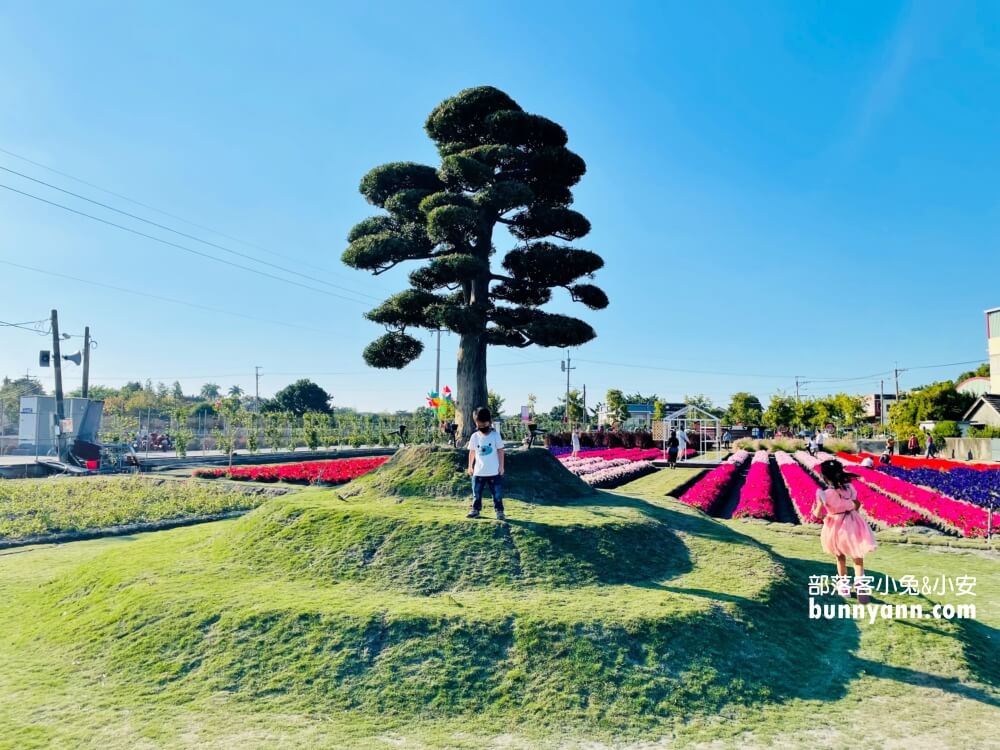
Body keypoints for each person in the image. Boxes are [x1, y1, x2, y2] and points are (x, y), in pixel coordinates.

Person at [810, 459, 877, 604]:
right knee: (857, 557)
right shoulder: (849, 489)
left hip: (835, 525)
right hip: (852, 522)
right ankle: (860, 583)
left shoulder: (823, 493)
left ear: (824, 477)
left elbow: (818, 514)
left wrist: (819, 509)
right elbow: (857, 504)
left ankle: (844, 587)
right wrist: (851, 508)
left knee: (840, 557)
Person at [466, 406, 505, 521]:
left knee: (497, 494)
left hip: (494, 471)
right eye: (479, 424)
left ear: (490, 422)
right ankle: (475, 510)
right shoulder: (474, 437)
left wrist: (501, 466)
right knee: (476, 493)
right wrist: (470, 466)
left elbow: (500, 451)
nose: (482, 427)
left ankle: (499, 511)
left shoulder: (495, 436)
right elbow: (472, 452)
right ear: (475, 422)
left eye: (484, 424)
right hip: (478, 472)